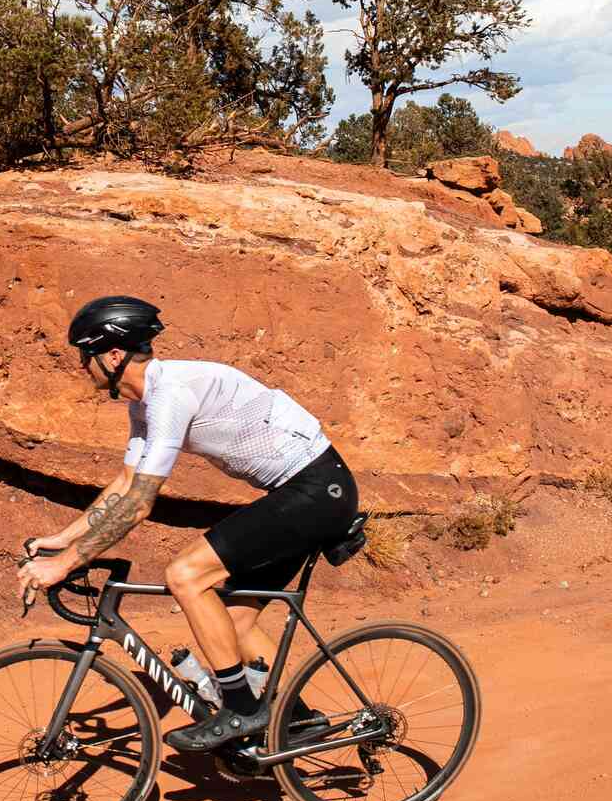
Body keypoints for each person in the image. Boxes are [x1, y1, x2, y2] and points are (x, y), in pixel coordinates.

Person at [20, 295, 360, 754]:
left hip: (315, 491)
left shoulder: (170, 394)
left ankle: (239, 709)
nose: (84, 366)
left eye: (87, 355)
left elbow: (140, 503)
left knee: (186, 575)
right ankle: (294, 720)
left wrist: (65, 565)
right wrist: (62, 540)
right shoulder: (143, 406)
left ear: (114, 355)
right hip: (304, 492)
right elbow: (125, 483)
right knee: (234, 619)